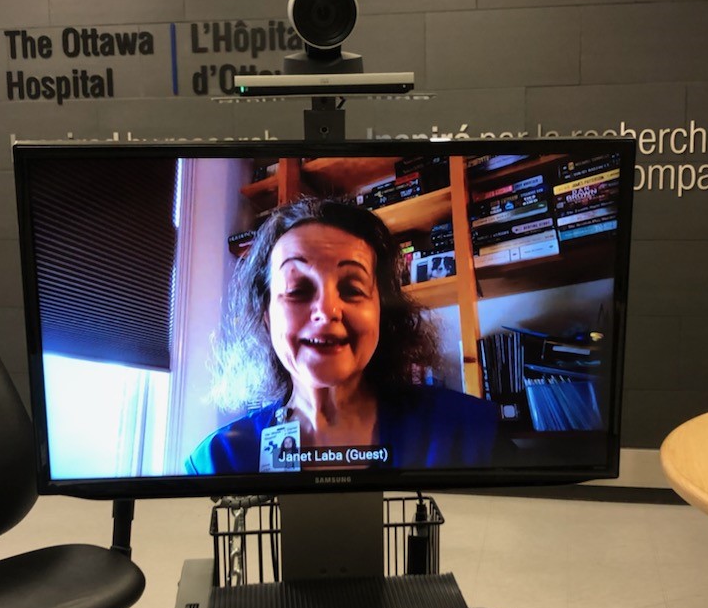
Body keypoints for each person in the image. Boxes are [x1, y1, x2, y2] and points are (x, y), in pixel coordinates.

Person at [186, 196, 510, 475]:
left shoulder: (470, 433)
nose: (327, 311)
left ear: (381, 311)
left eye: (352, 288)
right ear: (267, 316)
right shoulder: (216, 462)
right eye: (298, 290)